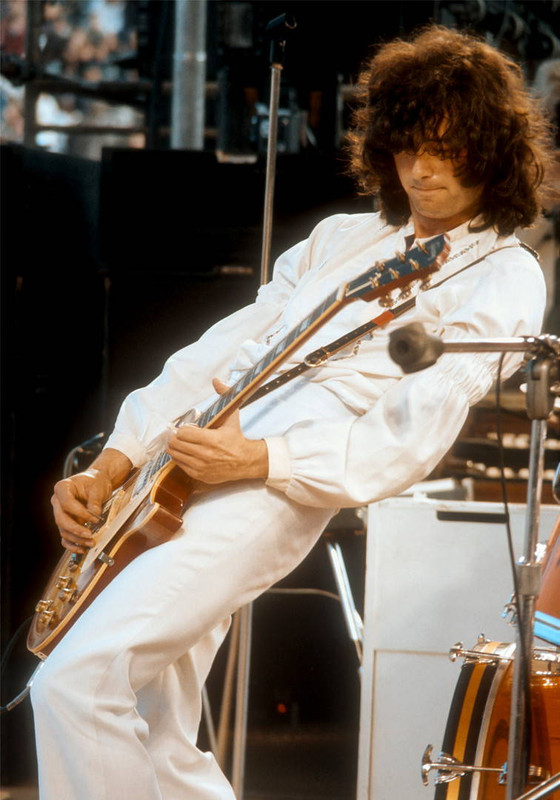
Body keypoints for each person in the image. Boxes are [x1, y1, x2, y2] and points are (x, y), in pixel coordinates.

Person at [30, 24, 554, 800]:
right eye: (408, 147)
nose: (424, 170)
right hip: (180, 466)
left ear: (493, 151)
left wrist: (263, 461)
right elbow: (221, 355)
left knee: (78, 682)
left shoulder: (505, 275)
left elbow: (412, 432)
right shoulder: (344, 238)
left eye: (449, 148)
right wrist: (117, 460)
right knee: (154, 715)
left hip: (274, 485)